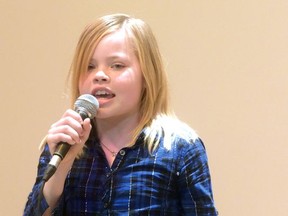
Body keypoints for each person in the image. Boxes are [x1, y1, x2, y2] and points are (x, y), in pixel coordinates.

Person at [24, 13, 218, 215]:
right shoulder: (64, 143)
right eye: (89, 66)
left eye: (117, 66)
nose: (99, 75)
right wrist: (62, 167)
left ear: (147, 76)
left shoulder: (180, 148)